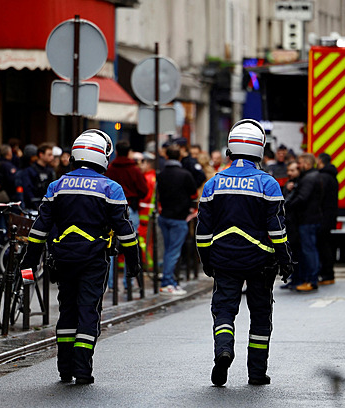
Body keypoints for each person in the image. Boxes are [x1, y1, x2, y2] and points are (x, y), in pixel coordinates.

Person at [21, 129, 141, 385]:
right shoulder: (111, 187)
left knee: (67, 310)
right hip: (94, 259)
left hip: (62, 258)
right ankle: (82, 370)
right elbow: (125, 230)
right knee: (88, 311)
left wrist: (29, 260)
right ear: (102, 157)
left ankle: (64, 368)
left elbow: (39, 228)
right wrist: (133, 261)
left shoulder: (57, 186)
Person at [196, 119, 294, 386]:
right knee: (260, 316)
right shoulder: (268, 184)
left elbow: (202, 232)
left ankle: (223, 350)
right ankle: (257, 373)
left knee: (224, 311)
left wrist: (207, 261)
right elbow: (277, 230)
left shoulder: (213, 184)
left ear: (230, 149)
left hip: (224, 260)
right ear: (260, 150)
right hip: (261, 263)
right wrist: (285, 261)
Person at [157, 144, 196, 295]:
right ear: (179, 157)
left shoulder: (161, 174)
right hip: (179, 218)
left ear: (166, 156)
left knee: (168, 250)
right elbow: (193, 193)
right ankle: (167, 282)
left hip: (164, 215)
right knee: (173, 252)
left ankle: (170, 280)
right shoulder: (184, 175)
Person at [285, 153, 323, 292]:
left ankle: (312, 281)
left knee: (309, 251)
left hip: (307, 220)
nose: (299, 165)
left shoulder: (308, 178)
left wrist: (286, 207)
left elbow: (302, 198)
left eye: (300, 163)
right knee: (309, 250)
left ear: (306, 163)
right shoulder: (311, 177)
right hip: (310, 219)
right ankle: (310, 279)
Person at [106, 140, 148, 231]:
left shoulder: (109, 169)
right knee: (131, 236)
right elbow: (144, 190)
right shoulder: (134, 170)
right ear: (129, 153)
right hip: (130, 207)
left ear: (116, 152)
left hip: (112, 207)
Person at [316, 153, 339, 285]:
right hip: (329, 216)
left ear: (320, 161)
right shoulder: (331, 177)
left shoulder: (323, 177)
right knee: (326, 245)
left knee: (323, 246)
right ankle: (327, 274)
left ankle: (327, 274)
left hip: (323, 217)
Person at [280, 160, 301, 289]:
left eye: (292, 170)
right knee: (291, 252)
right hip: (289, 223)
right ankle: (293, 278)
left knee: (297, 253)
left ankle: (298, 278)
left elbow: (287, 202)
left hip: (295, 223)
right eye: (289, 170)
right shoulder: (289, 184)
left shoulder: (298, 184)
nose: (289, 173)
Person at [20, 144, 56, 210]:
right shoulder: (30, 170)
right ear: (41, 155)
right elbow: (28, 190)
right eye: (49, 155)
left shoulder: (50, 171)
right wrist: (36, 205)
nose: (52, 157)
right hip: (33, 206)